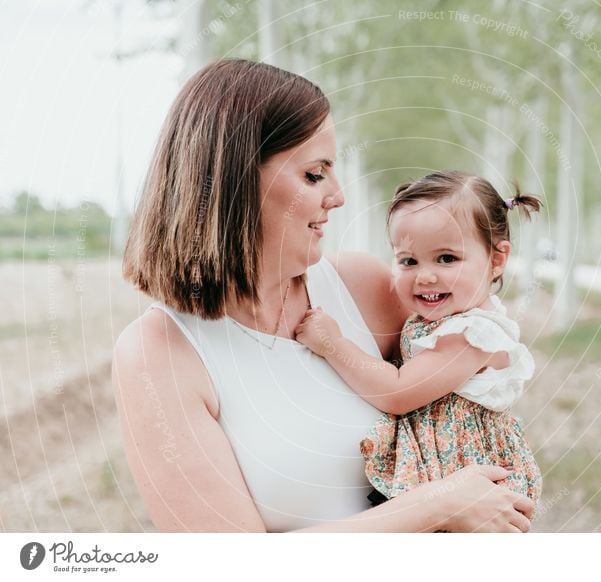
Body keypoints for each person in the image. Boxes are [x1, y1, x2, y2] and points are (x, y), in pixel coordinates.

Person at [113, 59, 535, 533]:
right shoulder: (158, 354)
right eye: (315, 175)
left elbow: (458, 407)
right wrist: (437, 506)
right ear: (234, 184)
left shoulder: (363, 287)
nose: (339, 195)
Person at [296, 171, 542, 514]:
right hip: (440, 473)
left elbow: (397, 393)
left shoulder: (472, 334)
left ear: (496, 260)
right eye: (409, 261)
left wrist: (332, 344)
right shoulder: (437, 321)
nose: (425, 276)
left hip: (469, 479)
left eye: (447, 258)